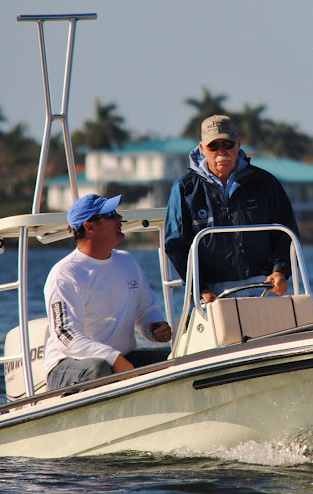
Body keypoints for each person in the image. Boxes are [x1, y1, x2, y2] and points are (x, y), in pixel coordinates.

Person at [164, 114, 299, 303]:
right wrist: (200, 289)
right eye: (214, 146)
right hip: (213, 293)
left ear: (238, 144)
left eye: (227, 144)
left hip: (264, 286)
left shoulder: (265, 182)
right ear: (202, 148)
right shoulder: (184, 189)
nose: (221, 152)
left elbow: (287, 232)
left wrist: (280, 272)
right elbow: (176, 245)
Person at [43, 193, 172, 390]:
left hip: (120, 359)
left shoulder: (128, 261)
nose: (119, 218)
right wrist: (115, 360)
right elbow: (65, 334)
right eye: (111, 214)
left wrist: (155, 328)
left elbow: (146, 311)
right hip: (68, 364)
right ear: (89, 226)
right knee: (99, 368)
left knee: (173, 359)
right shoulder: (65, 273)